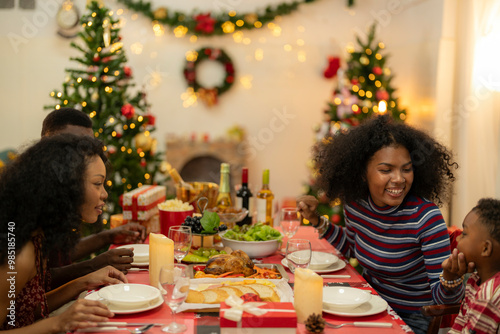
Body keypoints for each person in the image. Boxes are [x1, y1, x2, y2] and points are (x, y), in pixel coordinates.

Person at [297, 115, 464, 334]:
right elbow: (353, 248)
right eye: (386, 170)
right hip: (368, 306)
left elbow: (442, 300)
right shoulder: (356, 205)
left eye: (406, 169)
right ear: (363, 173)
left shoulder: (426, 218)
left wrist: (451, 279)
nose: (399, 179)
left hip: (412, 319)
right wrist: (317, 221)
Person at [0, 134, 127, 332]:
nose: (104, 194)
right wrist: (58, 322)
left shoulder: (37, 235)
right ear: (65, 188)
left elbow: (27, 310)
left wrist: (83, 282)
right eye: (97, 183)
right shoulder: (18, 255)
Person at [41, 108, 146, 287]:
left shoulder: (64, 190)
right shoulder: (33, 197)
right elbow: (36, 285)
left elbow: (58, 254)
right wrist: (93, 265)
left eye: (88, 145)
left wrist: (107, 237)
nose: (86, 153)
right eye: (77, 144)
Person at [443, 198, 500, 333]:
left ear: (485, 249)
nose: (457, 238)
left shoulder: (489, 295)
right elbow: (460, 323)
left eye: (464, 234)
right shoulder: (474, 279)